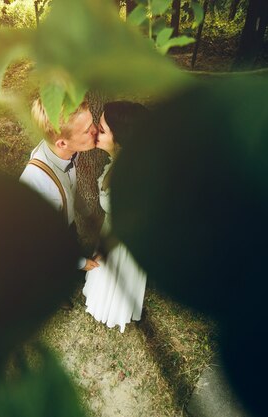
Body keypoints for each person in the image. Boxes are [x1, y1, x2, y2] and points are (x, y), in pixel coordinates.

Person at [82, 101, 148, 332]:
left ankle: (114, 308)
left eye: (101, 130)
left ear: (119, 138)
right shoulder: (118, 159)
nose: (94, 132)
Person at [20, 98, 100, 273]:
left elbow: (69, 187)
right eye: (87, 131)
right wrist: (80, 263)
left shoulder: (65, 150)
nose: (95, 130)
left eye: (91, 122)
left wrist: (87, 214)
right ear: (62, 143)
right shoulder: (39, 186)